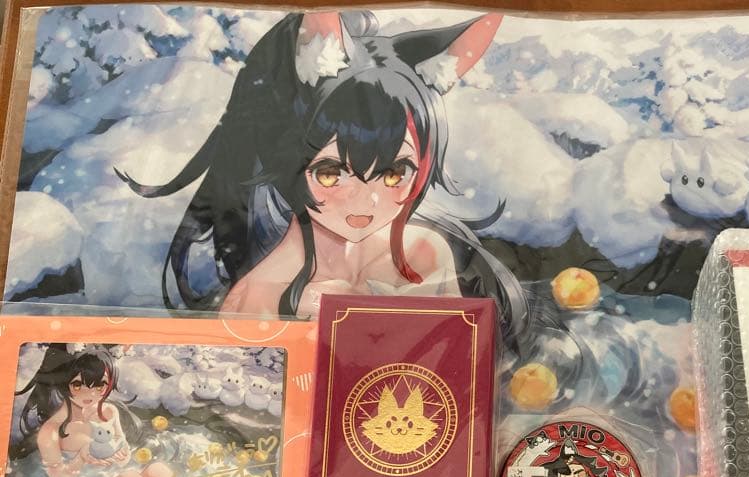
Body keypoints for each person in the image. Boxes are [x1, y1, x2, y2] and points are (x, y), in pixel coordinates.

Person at [118, 9, 528, 334]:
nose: (367, 200)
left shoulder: (427, 254)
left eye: (394, 174)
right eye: (331, 173)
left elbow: (458, 370)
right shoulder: (261, 295)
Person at [12, 345, 189, 477]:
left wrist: (122, 454)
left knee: (158, 472)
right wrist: (81, 458)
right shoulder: (51, 431)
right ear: (64, 382)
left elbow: (124, 454)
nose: (90, 393)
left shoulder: (109, 411)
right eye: (78, 385)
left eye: (100, 386)